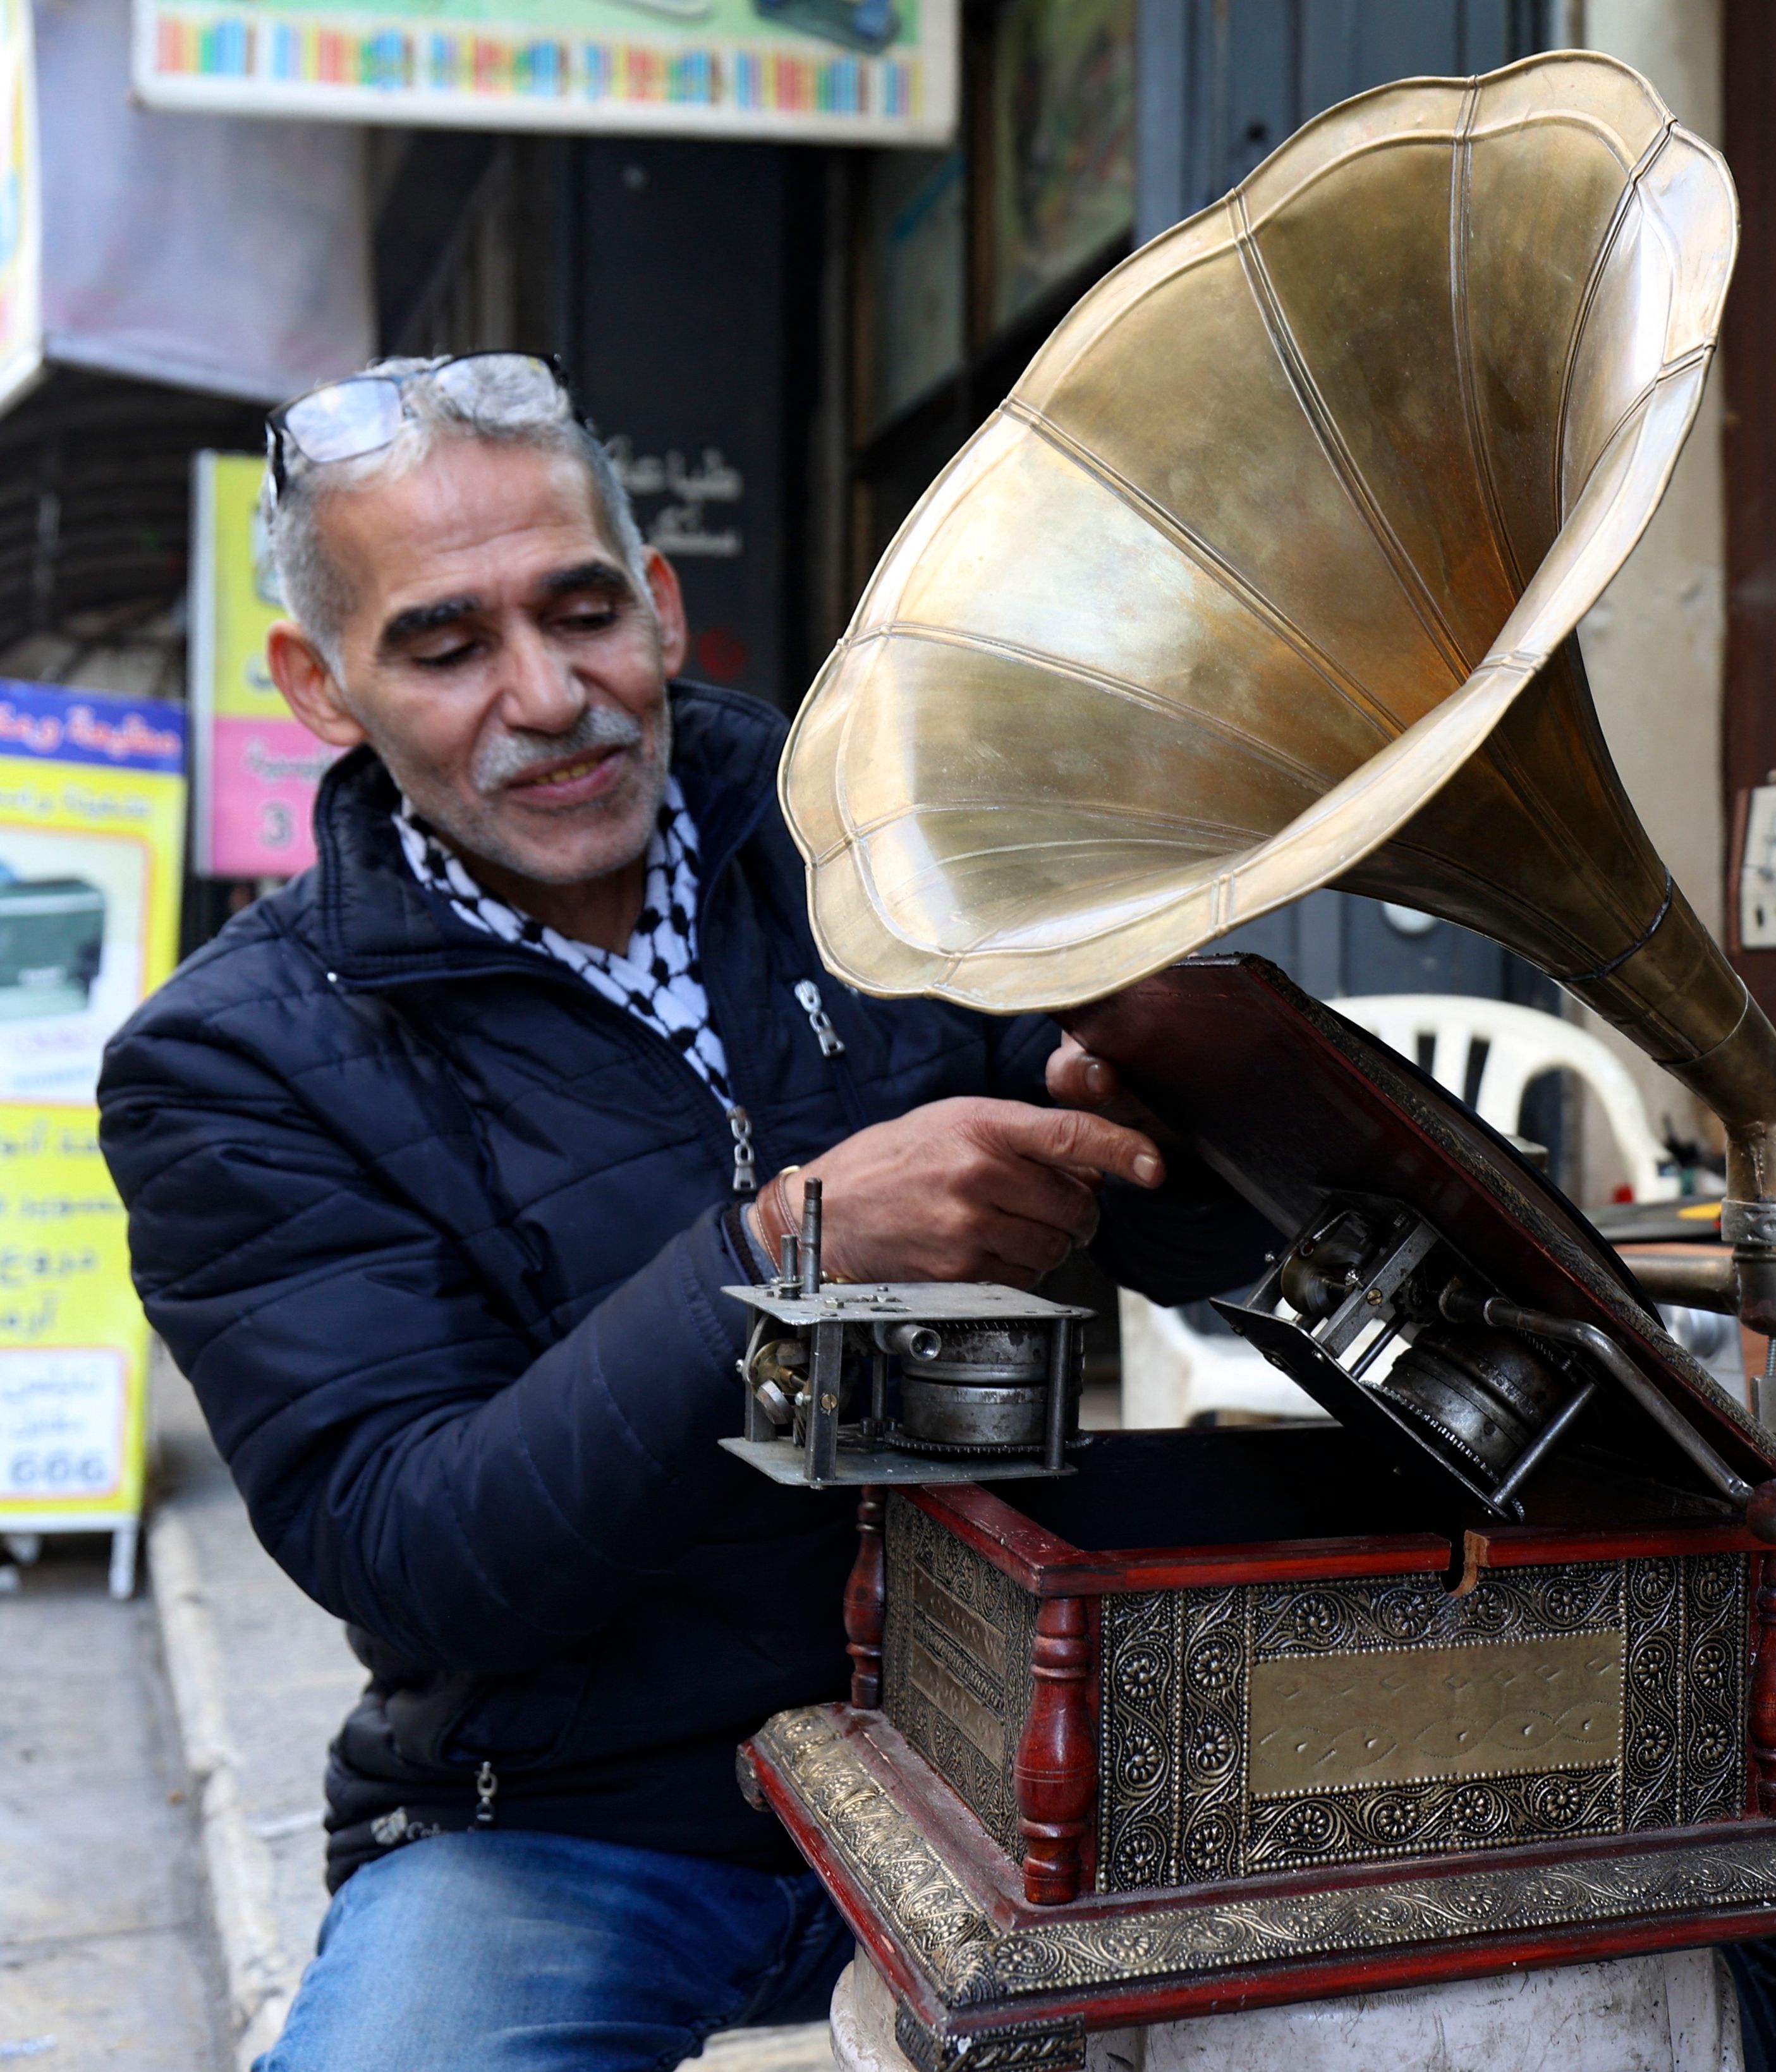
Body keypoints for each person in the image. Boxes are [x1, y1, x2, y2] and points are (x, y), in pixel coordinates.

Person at [96, 353, 1277, 2069]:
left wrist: (1178, 1101)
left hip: (1013, 1741)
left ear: (658, 605)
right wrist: (775, 1252)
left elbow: (1213, 1242)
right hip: (570, 1817)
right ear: (320, 685)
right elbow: (419, 1559)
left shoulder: (881, 833)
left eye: (582, 612)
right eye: (445, 645)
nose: (549, 694)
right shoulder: (226, 1062)